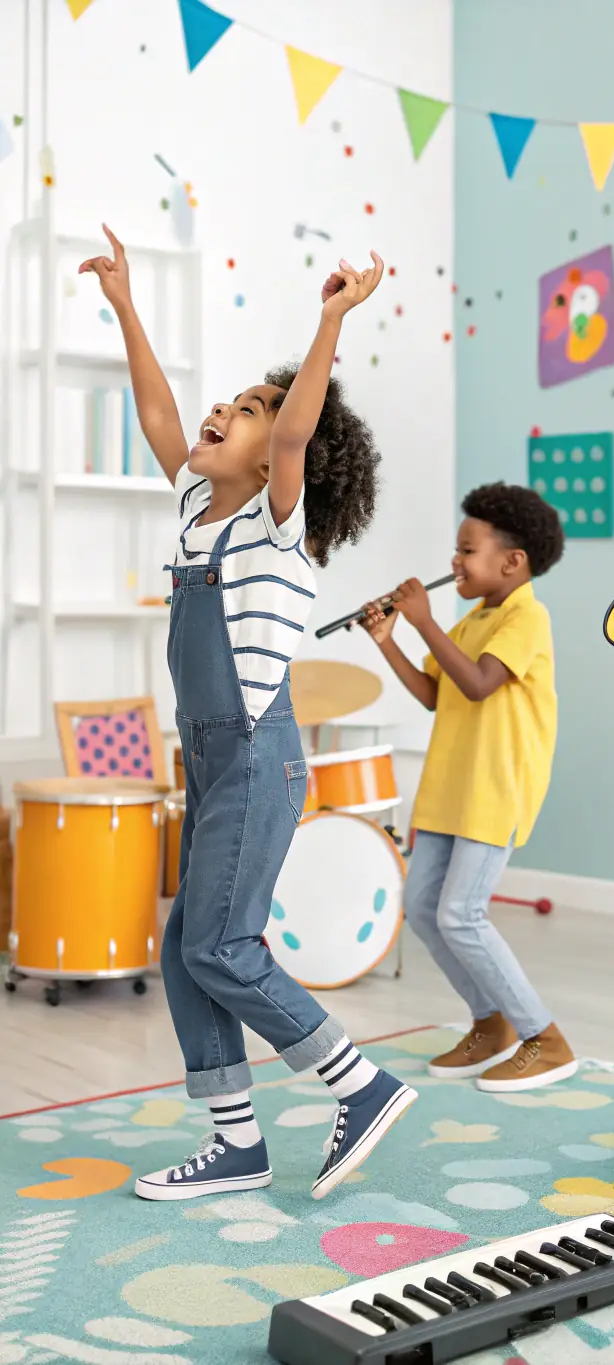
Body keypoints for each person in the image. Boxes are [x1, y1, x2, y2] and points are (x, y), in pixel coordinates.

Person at [80, 225, 416, 1201]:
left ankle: (356, 1082)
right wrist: (126, 305)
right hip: (211, 762)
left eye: (248, 407)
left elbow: (301, 429)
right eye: (228, 401)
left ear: (279, 455)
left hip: (260, 762)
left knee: (220, 946)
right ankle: (237, 1142)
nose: (223, 410)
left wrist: (328, 323)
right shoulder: (195, 507)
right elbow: (158, 414)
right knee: (186, 950)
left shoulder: (276, 526)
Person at [362, 482, 577, 1091]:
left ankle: (544, 1037)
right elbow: (437, 693)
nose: (454, 562)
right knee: (425, 911)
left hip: (493, 791)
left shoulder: (527, 617)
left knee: (462, 913)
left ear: (512, 563)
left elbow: (481, 683)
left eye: (467, 550)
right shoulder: (475, 618)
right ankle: (490, 1024)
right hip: (448, 789)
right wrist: (390, 641)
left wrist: (424, 621)